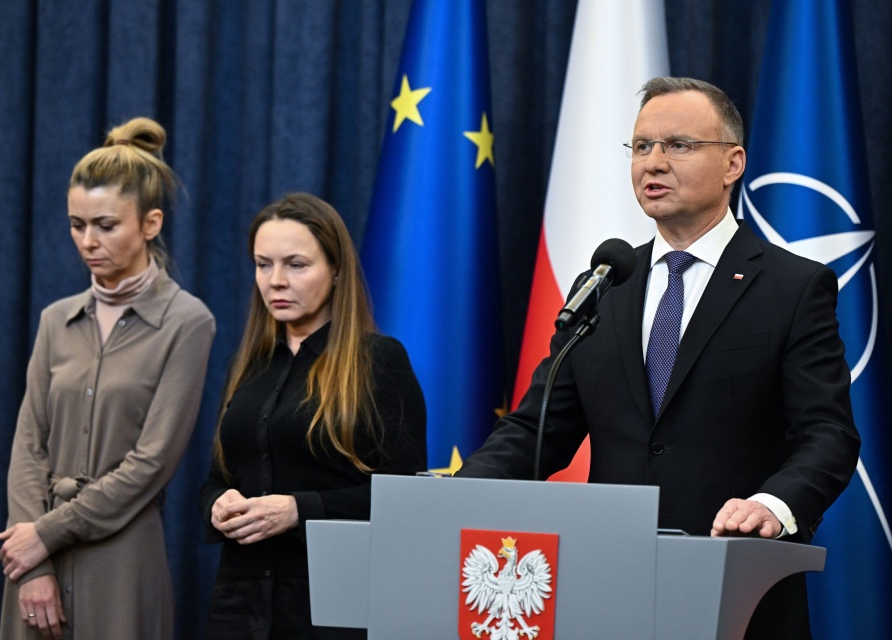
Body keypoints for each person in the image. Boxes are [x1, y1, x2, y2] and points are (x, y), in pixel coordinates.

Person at [456, 77, 860, 639]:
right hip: (605, 587)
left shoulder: (792, 286)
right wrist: (453, 496)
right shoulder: (604, 286)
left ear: (733, 163)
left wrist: (773, 503)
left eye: (679, 145)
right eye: (642, 146)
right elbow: (537, 430)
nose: (654, 162)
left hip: (733, 587)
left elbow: (828, 434)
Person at [0, 117, 216, 640]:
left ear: (151, 223)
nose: (88, 241)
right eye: (77, 224)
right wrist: (34, 565)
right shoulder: (55, 319)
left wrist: (44, 535)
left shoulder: (188, 322)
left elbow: (151, 463)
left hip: (121, 558)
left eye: (105, 225)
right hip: (32, 559)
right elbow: (29, 445)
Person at [200, 192, 427, 639]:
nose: (276, 281)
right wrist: (217, 503)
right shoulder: (251, 364)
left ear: (337, 270)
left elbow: (405, 498)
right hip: (239, 602)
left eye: (296, 265)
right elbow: (216, 476)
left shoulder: (378, 361)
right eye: (263, 264)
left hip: (328, 605)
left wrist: (299, 510)